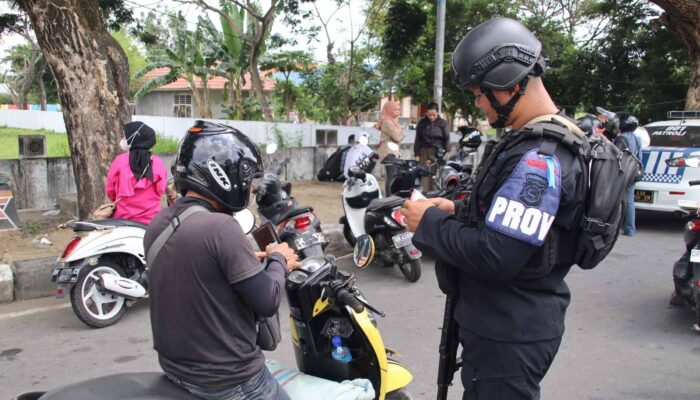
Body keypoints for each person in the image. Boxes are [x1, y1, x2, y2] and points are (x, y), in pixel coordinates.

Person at [400, 17, 585, 399]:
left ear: (511, 85)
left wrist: (428, 222)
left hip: (509, 332)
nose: (478, 103)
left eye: (479, 94)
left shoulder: (540, 159)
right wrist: (453, 207)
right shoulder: (531, 140)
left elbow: (496, 254)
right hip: (504, 322)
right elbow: (501, 212)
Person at [144, 121, 300, 400]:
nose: (250, 189)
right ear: (222, 174)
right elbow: (268, 300)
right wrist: (278, 260)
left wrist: (245, 259)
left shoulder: (158, 224)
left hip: (176, 371)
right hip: (231, 380)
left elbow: (195, 270)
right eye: (246, 179)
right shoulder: (222, 228)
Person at [105, 121, 167, 224]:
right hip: (151, 222)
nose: (123, 139)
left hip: (122, 221)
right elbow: (160, 190)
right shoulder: (158, 163)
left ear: (134, 138)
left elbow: (110, 190)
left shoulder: (119, 161)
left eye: (125, 136)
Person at [612, 112, 643, 236]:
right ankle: (629, 229)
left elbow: (616, 155)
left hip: (625, 172)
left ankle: (623, 228)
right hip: (635, 171)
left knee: (622, 200)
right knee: (630, 201)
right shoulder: (636, 137)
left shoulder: (621, 138)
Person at [414, 102, 450, 191]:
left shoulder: (443, 123)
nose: (432, 117)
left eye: (434, 115)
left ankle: (436, 193)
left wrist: (447, 151)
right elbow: (418, 139)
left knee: (437, 173)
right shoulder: (422, 123)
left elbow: (447, 138)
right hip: (425, 151)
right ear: (426, 113)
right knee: (425, 173)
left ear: (437, 113)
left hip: (438, 152)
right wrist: (417, 154)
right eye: (429, 115)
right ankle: (425, 193)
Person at [375, 100, 404, 195]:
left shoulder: (393, 121)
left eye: (399, 110)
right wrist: (401, 133)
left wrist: (400, 134)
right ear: (389, 110)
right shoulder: (387, 121)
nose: (398, 112)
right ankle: (389, 197)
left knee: (393, 175)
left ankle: (390, 196)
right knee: (392, 175)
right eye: (395, 110)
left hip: (392, 151)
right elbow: (397, 137)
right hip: (388, 152)